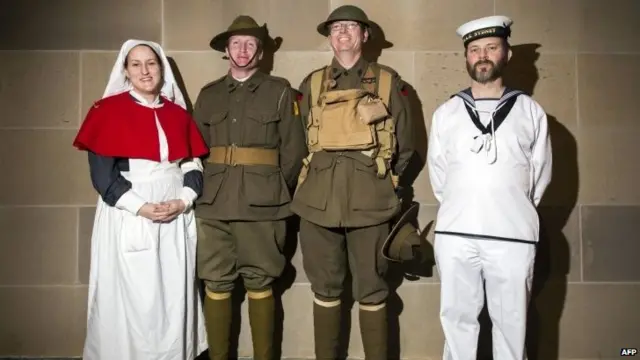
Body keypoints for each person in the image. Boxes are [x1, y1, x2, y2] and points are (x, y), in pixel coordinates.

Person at [292, 5, 416, 359]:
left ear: (365, 35)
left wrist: (383, 181)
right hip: (318, 204)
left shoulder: (389, 82)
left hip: (371, 203)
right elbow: (299, 140)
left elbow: (407, 145)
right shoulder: (312, 84)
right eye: (336, 28)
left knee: (373, 289)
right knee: (325, 289)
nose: (342, 32)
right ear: (329, 37)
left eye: (350, 26)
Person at [72, 39, 209, 359]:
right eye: (136, 64)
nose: (145, 71)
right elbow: (103, 176)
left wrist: (185, 199)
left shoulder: (177, 114)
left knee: (172, 299)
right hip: (130, 216)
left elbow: (191, 163)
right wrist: (142, 207)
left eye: (151, 63)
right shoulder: (106, 112)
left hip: (175, 216)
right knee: (132, 303)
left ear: (162, 69)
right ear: (125, 71)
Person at [427, 16, 553, 360]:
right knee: (457, 322)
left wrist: (511, 209)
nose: (482, 55)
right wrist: (465, 205)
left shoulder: (530, 111)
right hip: (457, 233)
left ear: (506, 54)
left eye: (491, 48)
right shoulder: (447, 112)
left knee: (512, 326)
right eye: (474, 49)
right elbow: (439, 177)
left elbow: (539, 177)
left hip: (512, 236)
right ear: (467, 58)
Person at [192, 15, 307, 360]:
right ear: (226, 50)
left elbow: (294, 151)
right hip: (213, 204)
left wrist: (271, 189)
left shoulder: (280, 91)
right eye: (237, 43)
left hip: (263, 206)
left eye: (250, 44)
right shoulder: (209, 94)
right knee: (215, 281)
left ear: (260, 52)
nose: (243, 50)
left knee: (261, 282)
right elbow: (196, 147)